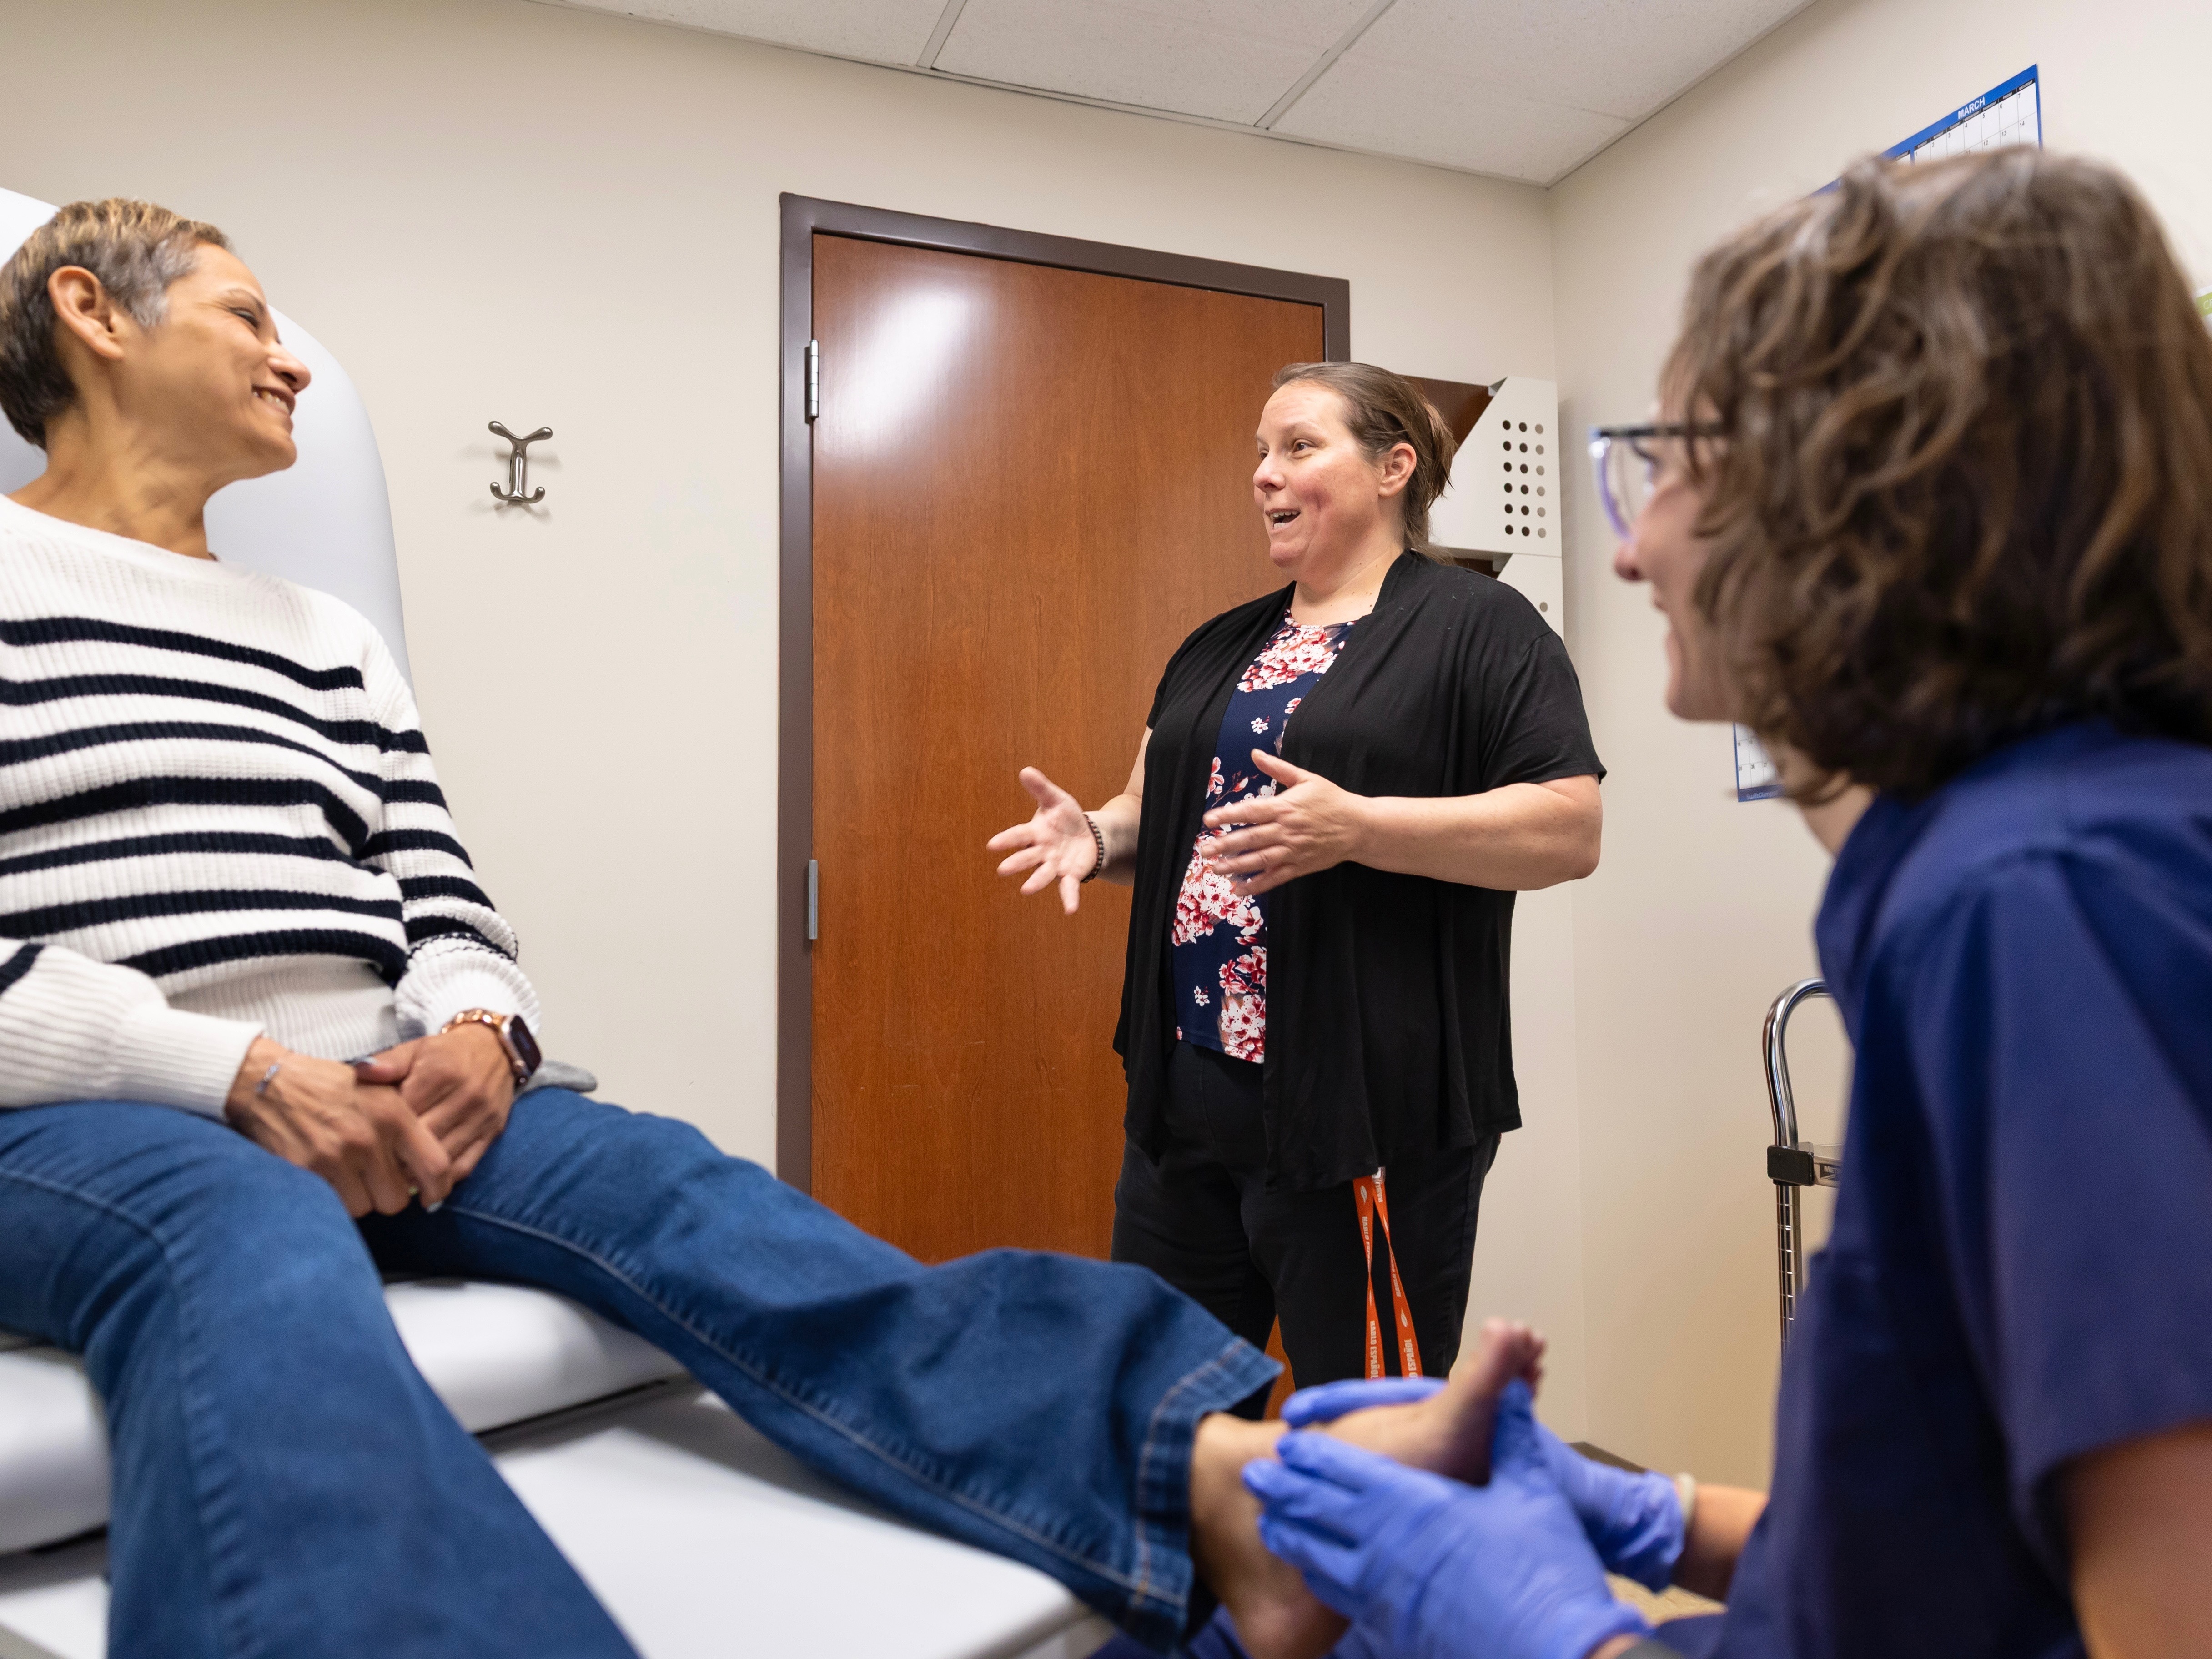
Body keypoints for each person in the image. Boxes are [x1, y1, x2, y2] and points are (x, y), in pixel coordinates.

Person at [0, 196, 1543, 1659]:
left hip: (387, 1078)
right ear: (91, 313)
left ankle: (1227, 1484)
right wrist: (230, 1070)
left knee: (687, 1190)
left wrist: (486, 1027)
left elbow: (444, 892)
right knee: (244, 1233)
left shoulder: (322, 635)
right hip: (105, 1108)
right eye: (248, 315)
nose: (293, 358)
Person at [1243, 148, 2212, 1659]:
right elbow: (1969, 1559)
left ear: (1862, 486)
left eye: (1671, 458)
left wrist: (1572, 1641)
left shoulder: (2037, 907)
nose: (1631, 544)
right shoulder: (2048, 856)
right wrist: (1646, 1514)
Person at [990, 363, 1604, 1392]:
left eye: (1298, 448)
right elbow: (1156, 814)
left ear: (1392, 468)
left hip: (1362, 1119)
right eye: (1259, 455)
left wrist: (1360, 827)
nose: (1265, 475)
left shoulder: (1479, 628)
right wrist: (1097, 838)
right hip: (1183, 1108)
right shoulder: (1217, 646)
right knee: (1159, 1412)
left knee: (1359, 1436)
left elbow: (1566, 828)